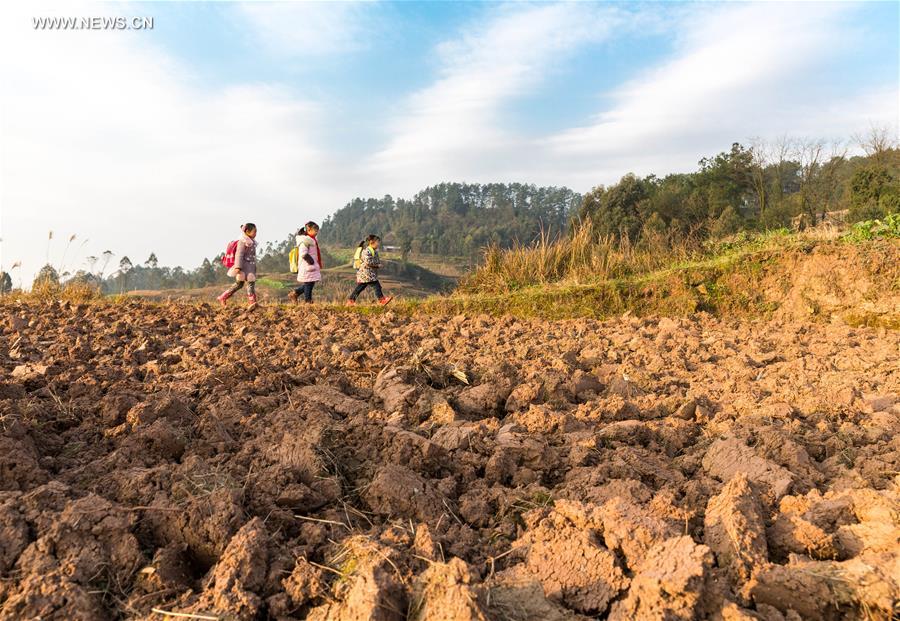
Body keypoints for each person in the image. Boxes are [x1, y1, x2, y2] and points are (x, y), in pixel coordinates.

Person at [217, 223, 258, 309]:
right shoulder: (242, 242)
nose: (255, 233)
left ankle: (253, 302)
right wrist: (238, 267)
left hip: (250, 267)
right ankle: (223, 297)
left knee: (251, 283)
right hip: (242, 267)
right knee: (239, 284)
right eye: (254, 231)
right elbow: (239, 254)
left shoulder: (251, 242)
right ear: (247, 231)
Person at [346, 234, 393, 306]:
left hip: (368, 273)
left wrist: (378, 265)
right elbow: (368, 263)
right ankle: (382, 300)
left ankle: (351, 300)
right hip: (366, 273)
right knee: (376, 285)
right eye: (377, 242)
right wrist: (377, 265)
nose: (378, 244)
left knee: (360, 287)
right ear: (371, 242)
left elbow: (375, 260)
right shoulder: (367, 251)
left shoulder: (374, 251)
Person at [288, 221, 322, 304]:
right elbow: (303, 253)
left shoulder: (311, 240)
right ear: (309, 230)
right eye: (315, 231)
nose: (317, 232)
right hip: (307, 266)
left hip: (311, 265)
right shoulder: (305, 240)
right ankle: (308, 301)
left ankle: (295, 293)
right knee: (308, 283)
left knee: (310, 283)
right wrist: (311, 261)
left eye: (317, 231)